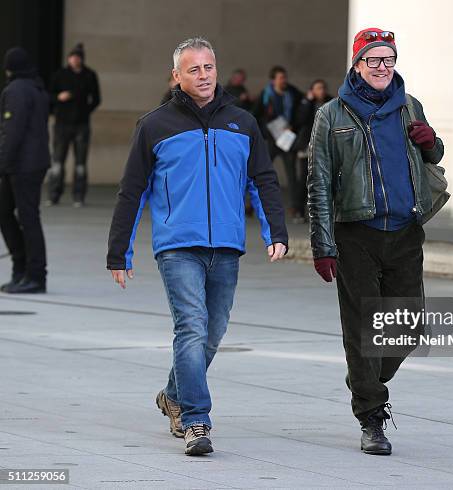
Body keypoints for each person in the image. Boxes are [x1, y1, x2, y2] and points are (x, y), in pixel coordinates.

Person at [107, 37, 288, 456]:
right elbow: (131, 191)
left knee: (213, 331)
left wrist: (274, 231)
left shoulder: (242, 122)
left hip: (226, 244)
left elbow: (262, 179)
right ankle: (196, 420)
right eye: (193, 69)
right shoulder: (154, 125)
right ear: (177, 76)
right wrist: (120, 251)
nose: (203, 75)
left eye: (208, 67)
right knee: (190, 327)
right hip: (177, 245)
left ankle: (173, 394)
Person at [307, 28, 444, 455]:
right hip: (356, 236)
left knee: (407, 328)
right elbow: (319, 183)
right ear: (357, 65)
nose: (383, 67)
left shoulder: (410, 107)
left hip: (405, 233)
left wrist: (432, 144)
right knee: (363, 328)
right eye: (374, 60)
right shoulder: (331, 115)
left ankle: (363, 377)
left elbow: (431, 156)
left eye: (389, 59)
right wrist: (322, 244)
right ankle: (371, 415)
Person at [0, 47, 50, 294]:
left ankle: (34, 275)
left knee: (27, 218)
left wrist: (3, 163)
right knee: (10, 213)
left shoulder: (16, 90)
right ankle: (22, 270)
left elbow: (13, 131)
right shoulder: (36, 87)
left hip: (22, 164)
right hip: (34, 162)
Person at [47, 43, 100, 207]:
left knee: (80, 163)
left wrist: (85, 111)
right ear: (69, 59)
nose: (75, 60)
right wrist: (58, 98)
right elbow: (49, 96)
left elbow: (96, 99)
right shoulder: (60, 75)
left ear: (81, 59)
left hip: (81, 125)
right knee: (57, 162)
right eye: (72, 57)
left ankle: (79, 196)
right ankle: (54, 195)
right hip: (62, 123)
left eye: (77, 57)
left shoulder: (89, 75)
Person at [252, 66, 303, 219]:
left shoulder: (292, 92)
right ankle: (252, 203)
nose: (284, 81)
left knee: (292, 174)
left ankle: (295, 207)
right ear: (273, 80)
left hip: (287, 138)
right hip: (271, 139)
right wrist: (266, 130)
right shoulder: (266, 95)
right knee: (261, 171)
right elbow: (256, 114)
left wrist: (293, 125)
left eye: (285, 77)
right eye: (281, 78)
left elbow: (301, 111)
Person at [293, 79, 332, 221]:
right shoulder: (306, 102)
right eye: (318, 88)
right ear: (312, 91)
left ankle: (323, 213)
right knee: (304, 179)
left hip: (325, 146)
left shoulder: (331, 102)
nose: (321, 91)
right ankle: (299, 210)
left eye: (323, 88)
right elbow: (299, 120)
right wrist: (307, 102)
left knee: (324, 179)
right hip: (307, 145)